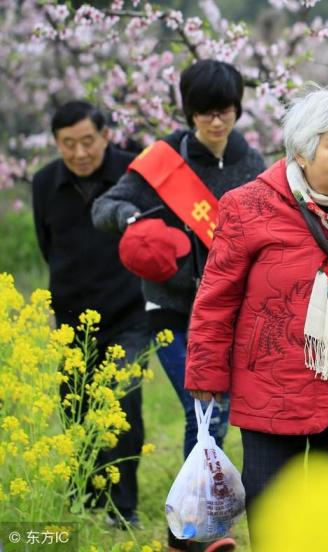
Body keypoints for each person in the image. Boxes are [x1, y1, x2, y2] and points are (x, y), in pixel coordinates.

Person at [183, 89, 328, 546]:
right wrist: (206, 368)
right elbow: (217, 295)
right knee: (274, 517)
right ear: (301, 152)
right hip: (272, 384)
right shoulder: (249, 204)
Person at [91, 59, 265, 552]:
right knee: (204, 412)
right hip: (170, 311)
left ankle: (189, 530)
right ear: (188, 112)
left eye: (225, 111)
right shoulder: (163, 159)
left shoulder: (250, 162)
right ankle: (197, 528)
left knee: (218, 414)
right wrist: (134, 220)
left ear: (237, 110)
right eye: (205, 112)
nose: (216, 121)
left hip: (231, 310)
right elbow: (105, 207)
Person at [32, 100, 147, 528]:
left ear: (104, 136)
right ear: (57, 144)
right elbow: (47, 245)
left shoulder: (133, 172)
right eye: (68, 144)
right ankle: (87, 497)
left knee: (122, 400)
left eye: (87, 142)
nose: (79, 153)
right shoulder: (45, 183)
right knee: (76, 410)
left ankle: (124, 508)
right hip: (72, 322)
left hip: (129, 313)